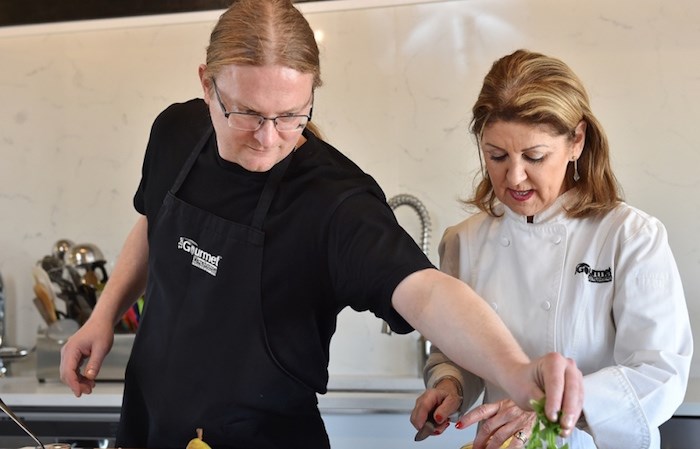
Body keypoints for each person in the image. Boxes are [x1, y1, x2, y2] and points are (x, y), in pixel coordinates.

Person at [59, 3, 583, 447]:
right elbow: (154, 225)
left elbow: (426, 292)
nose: (268, 138)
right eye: (246, 113)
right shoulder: (175, 132)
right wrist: (104, 314)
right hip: (149, 421)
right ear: (206, 84)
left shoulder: (335, 200)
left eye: (291, 115)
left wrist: (515, 373)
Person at [410, 49, 693, 449]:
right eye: (497, 156)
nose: (515, 176)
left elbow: (659, 372)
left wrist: (548, 406)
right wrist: (450, 384)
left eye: (534, 156)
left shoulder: (630, 236)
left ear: (576, 140)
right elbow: (457, 352)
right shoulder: (464, 241)